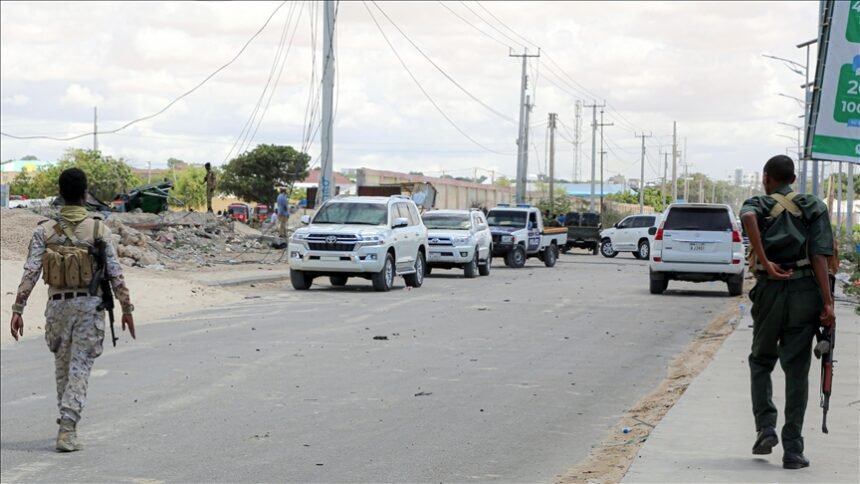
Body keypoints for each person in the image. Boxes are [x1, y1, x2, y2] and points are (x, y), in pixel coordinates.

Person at [9, 168, 136, 452]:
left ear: (60, 193)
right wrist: (127, 307)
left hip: (56, 308)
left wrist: (18, 308)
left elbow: (31, 271)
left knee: (63, 366)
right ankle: (67, 427)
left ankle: (66, 422)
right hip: (88, 307)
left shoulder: (44, 230)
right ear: (84, 193)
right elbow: (115, 273)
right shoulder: (98, 229)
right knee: (79, 366)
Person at [740, 155, 835, 470]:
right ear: (792, 178)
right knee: (797, 370)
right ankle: (793, 450)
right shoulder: (813, 205)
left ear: (767, 177)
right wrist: (827, 303)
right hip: (806, 291)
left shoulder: (759, 202)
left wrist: (766, 262)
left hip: (769, 290)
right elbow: (820, 255)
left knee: (761, 361)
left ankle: (765, 427)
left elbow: (748, 219)